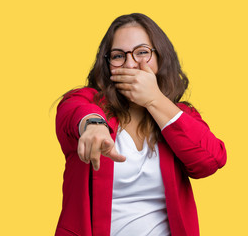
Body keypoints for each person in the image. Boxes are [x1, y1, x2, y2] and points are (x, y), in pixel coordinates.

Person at [54, 13, 227, 236]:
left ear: (161, 58)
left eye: (142, 52)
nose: (130, 63)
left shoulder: (179, 114)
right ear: (107, 64)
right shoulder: (85, 101)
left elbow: (210, 161)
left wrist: (154, 99)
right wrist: (94, 124)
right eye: (118, 56)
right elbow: (74, 112)